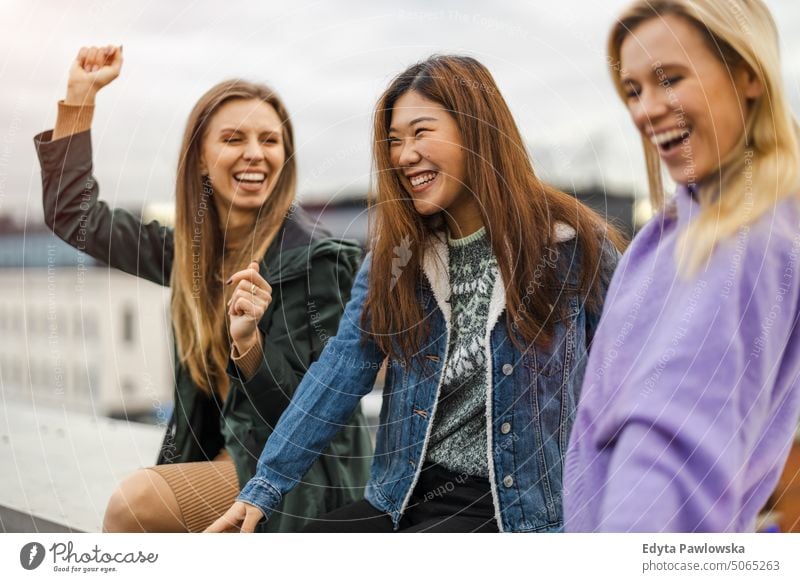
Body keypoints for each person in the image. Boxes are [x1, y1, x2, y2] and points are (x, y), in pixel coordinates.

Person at [207, 54, 624, 534]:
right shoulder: (396, 260)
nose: (403, 156)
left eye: (421, 132)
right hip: (402, 496)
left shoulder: (574, 248)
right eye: (394, 142)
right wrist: (264, 487)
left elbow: (629, 380)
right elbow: (340, 371)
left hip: (521, 513)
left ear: (477, 130)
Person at [34, 45, 372, 532]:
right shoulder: (187, 257)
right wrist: (80, 99)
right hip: (224, 456)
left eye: (270, 140)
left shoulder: (318, 262)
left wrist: (249, 344)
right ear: (199, 159)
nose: (255, 153)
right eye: (234, 138)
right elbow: (76, 218)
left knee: (135, 506)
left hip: (297, 471)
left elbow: (311, 414)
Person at [563, 0, 800, 532]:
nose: (644, 110)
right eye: (633, 90)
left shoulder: (739, 243)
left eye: (669, 79)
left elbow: (669, 452)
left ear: (748, 74)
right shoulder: (677, 232)